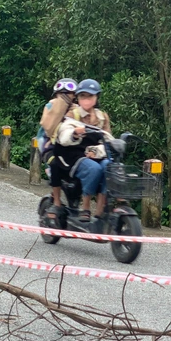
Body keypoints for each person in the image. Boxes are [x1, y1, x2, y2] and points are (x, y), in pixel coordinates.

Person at [54, 79, 112, 231]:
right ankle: (85, 207)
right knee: (94, 169)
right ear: (78, 98)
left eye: (90, 96)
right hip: (73, 155)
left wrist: (97, 151)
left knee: (109, 167)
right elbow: (64, 135)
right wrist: (75, 132)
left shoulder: (102, 117)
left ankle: (100, 212)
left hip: (96, 155)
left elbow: (108, 140)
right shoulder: (72, 114)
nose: (86, 100)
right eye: (83, 96)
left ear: (96, 98)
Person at [39, 78, 78, 222]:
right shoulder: (51, 106)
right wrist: (61, 106)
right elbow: (48, 128)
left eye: (70, 93)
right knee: (55, 164)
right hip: (51, 147)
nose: (67, 95)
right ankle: (56, 201)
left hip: (71, 149)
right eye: (63, 93)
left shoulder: (76, 110)